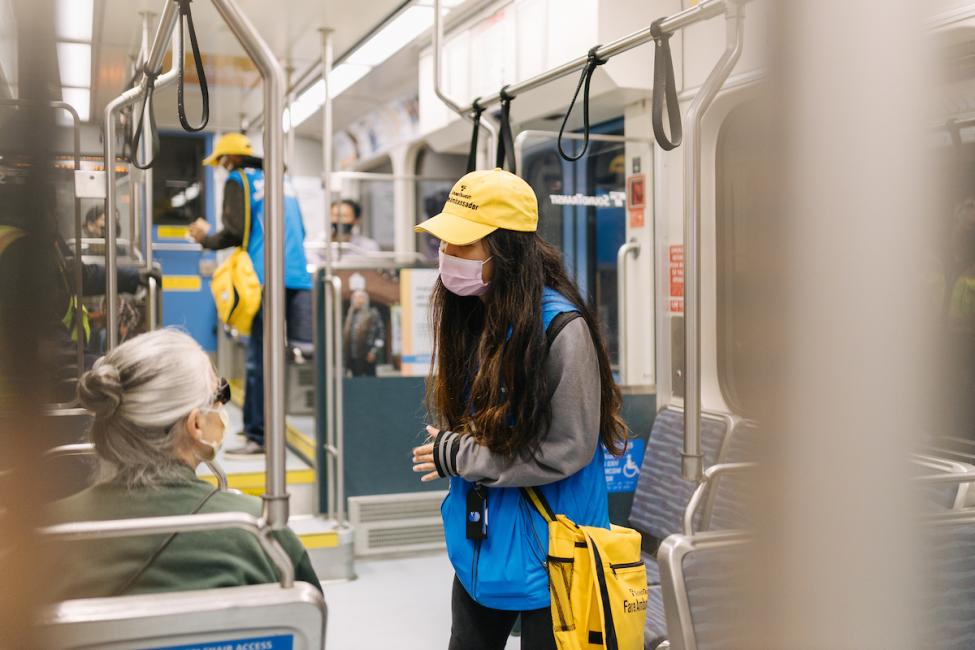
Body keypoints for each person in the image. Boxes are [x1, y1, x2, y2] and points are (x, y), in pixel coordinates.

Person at [410, 169, 628, 650]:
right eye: (444, 244)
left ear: (504, 250)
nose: (446, 256)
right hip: (482, 544)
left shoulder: (561, 330)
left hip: (556, 552)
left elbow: (566, 450)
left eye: (462, 245)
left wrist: (463, 457)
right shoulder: (473, 316)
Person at [48, 328, 322, 599]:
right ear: (196, 424)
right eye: (219, 395)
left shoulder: (44, 533)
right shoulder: (260, 532)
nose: (222, 406)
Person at [187, 133, 313, 458]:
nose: (221, 168)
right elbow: (303, 230)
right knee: (278, 354)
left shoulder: (237, 179)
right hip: (297, 275)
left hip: (264, 275)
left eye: (220, 163)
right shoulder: (282, 182)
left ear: (228, 160)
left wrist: (204, 238)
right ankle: (263, 426)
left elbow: (234, 230)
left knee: (258, 357)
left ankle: (258, 436)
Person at [343, 289, 385, 377]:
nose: (358, 300)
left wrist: (374, 351)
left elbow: (380, 335)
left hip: (368, 356)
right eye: (355, 298)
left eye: (360, 297)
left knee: (370, 382)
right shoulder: (350, 316)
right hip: (353, 358)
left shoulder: (373, 314)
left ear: (365, 299)